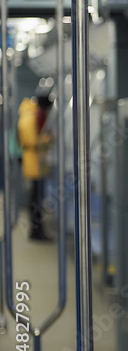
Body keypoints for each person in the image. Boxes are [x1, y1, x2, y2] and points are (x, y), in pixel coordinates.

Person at [18, 90, 53, 241]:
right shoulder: (34, 117)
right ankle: (36, 231)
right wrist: (49, 139)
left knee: (35, 198)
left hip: (32, 161)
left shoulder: (27, 115)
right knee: (37, 199)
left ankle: (36, 229)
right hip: (35, 163)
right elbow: (34, 142)